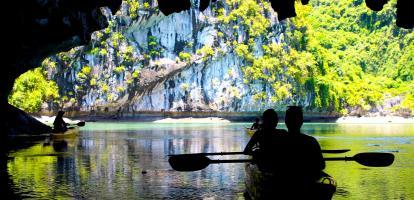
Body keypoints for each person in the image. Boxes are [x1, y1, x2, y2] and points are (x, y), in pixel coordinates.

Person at [282, 106, 325, 183]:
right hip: (307, 183)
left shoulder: (278, 141)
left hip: (284, 181)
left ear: (286, 121)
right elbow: (322, 165)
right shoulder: (311, 141)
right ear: (301, 122)